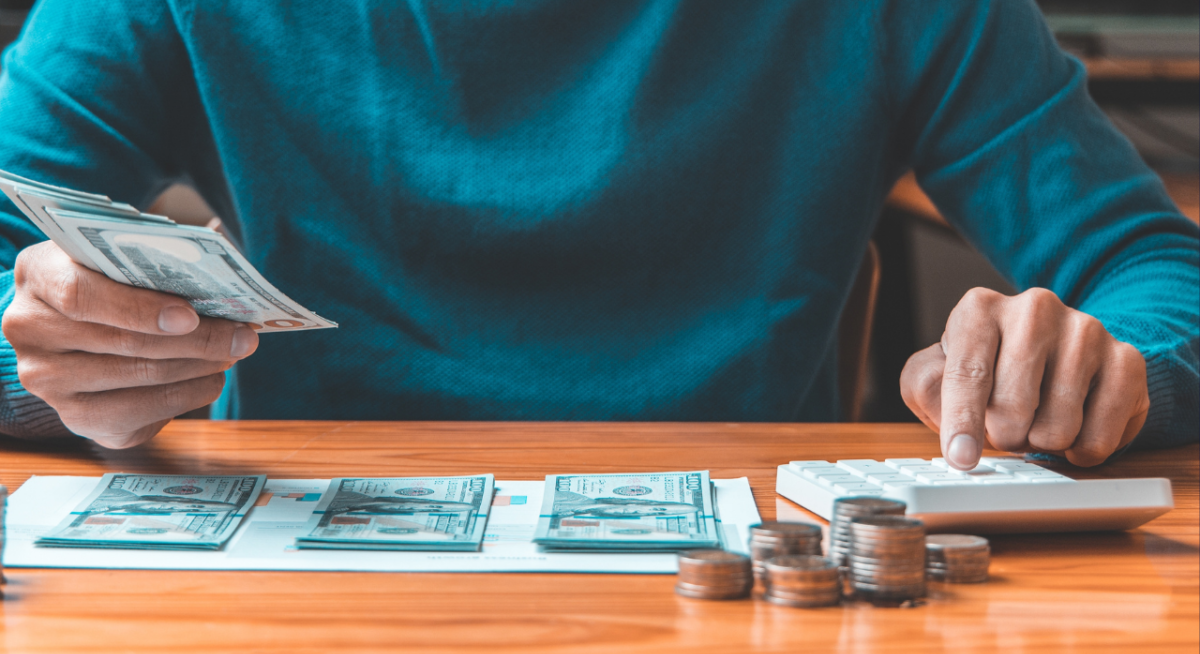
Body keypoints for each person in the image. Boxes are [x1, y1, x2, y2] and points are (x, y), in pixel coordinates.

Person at [0, 1, 1195, 470]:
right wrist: (45, 372)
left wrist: (1108, 376)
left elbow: (1157, 273)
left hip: (740, 603)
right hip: (284, 576)